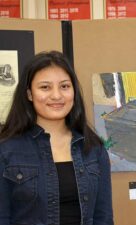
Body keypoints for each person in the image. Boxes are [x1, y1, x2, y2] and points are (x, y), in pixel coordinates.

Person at [0, 51, 114, 225]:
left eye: (64, 86)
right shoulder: (6, 150)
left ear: (74, 91)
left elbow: (103, 218)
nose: (56, 96)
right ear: (29, 94)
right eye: (45, 87)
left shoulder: (93, 148)